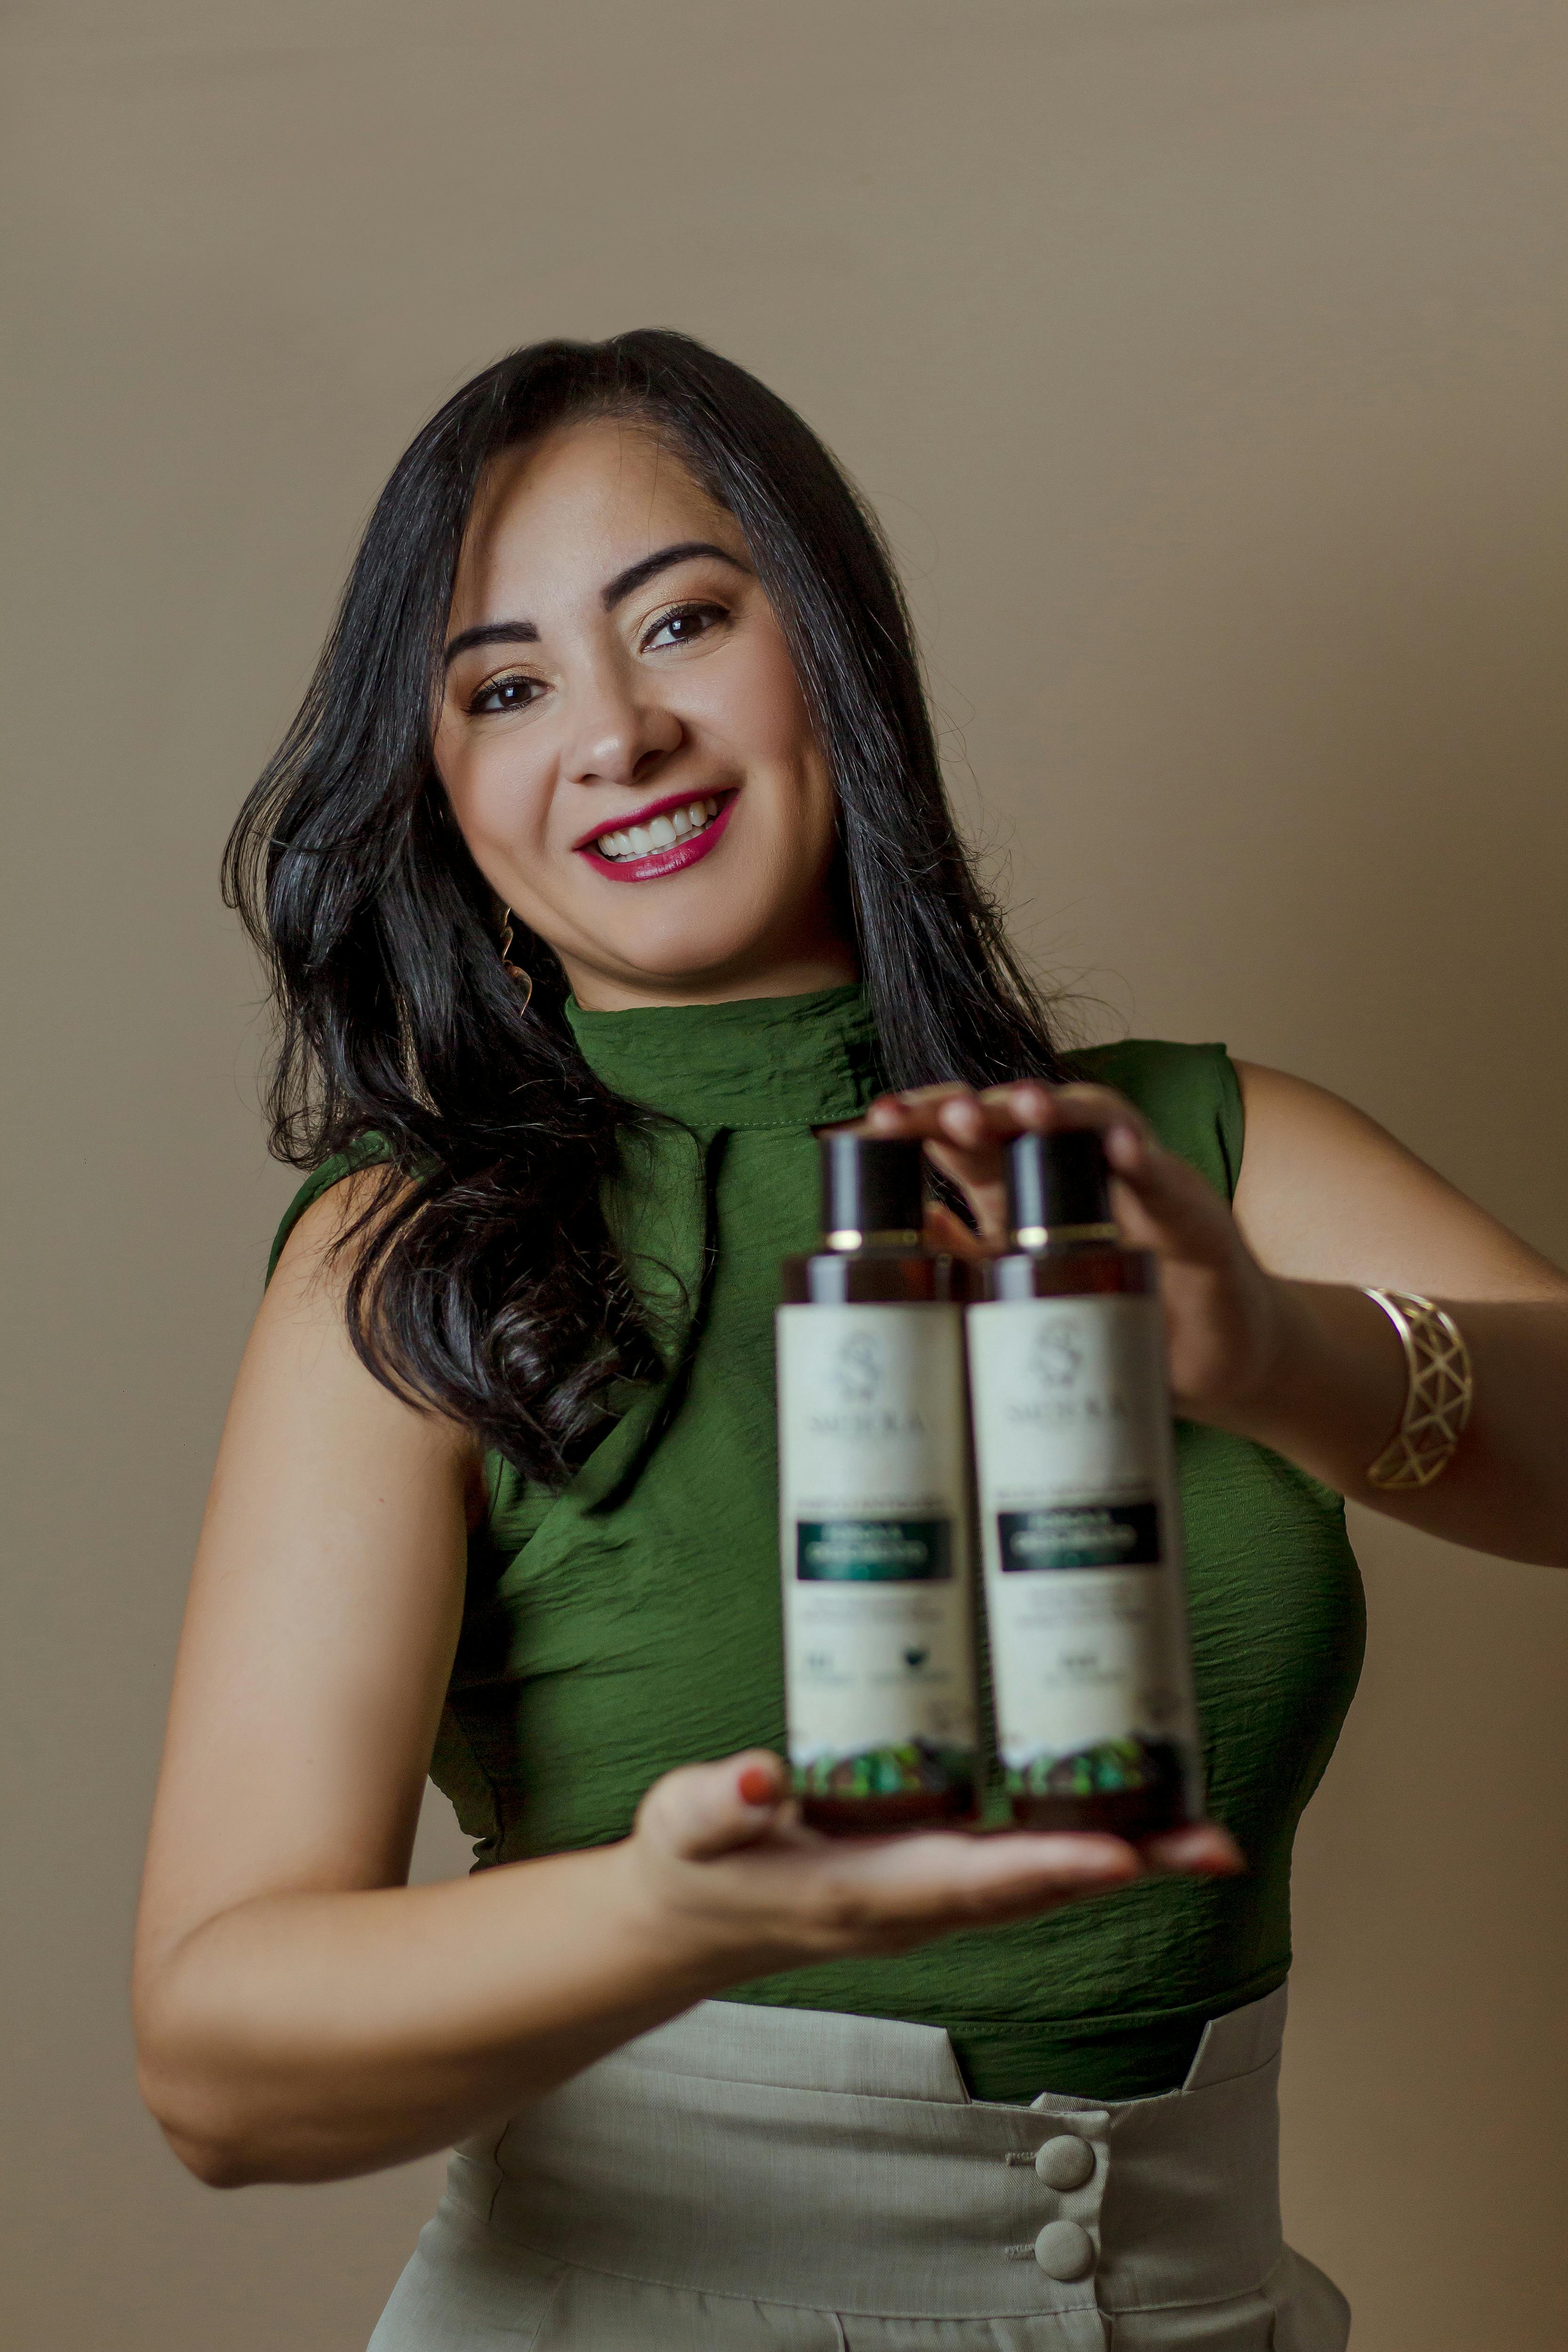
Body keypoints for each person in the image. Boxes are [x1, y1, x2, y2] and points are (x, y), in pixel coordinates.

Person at [132, 330, 1568, 2351]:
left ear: (835, 647)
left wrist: (1274, 1352)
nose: (617, 732)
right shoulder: (405, 1262)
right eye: (510, 686)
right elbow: (213, 2059)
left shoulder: (1182, 1147)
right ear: (443, 792)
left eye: (686, 620)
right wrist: (677, 1914)